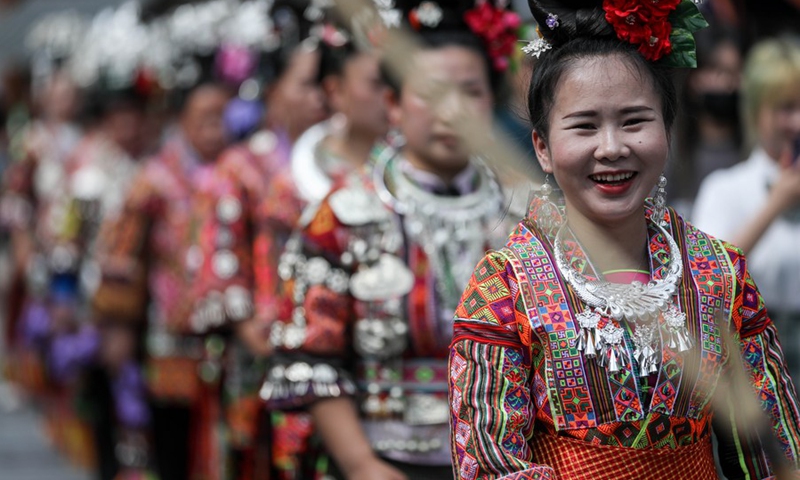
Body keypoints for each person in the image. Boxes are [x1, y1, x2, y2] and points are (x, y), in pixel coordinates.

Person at [449, 1, 800, 479]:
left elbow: (773, 451)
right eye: (584, 125)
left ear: (667, 129)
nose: (612, 147)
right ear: (543, 148)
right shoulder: (504, 288)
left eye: (634, 121)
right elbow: (489, 464)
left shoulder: (720, 274)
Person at [262, 1, 520, 478]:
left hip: (510, 460)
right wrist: (361, 463)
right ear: (395, 104)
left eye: (472, 92)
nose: (453, 111)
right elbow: (307, 354)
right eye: (432, 93)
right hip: (384, 459)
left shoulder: (526, 211)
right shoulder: (341, 215)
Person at [91, 81, 232, 480]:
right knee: (172, 442)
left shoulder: (238, 171)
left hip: (227, 340)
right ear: (181, 121)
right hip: (171, 337)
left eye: (223, 119)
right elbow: (121, 252)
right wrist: (118, 324)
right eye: (206, 120)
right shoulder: (156, 178)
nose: (216, 131)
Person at [692, 36, 800, 381]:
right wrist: (775, 206)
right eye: (785, 108)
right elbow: (705, 281)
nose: (797, 123)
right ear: (755, 111)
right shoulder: (726, 188)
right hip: (752, 365)